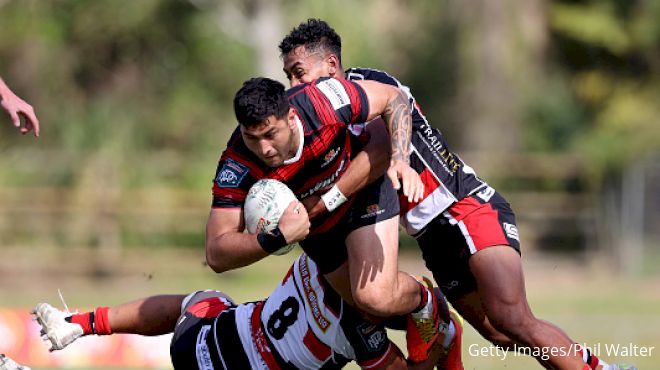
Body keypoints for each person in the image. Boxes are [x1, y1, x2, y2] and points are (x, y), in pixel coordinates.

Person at [277, 19, 637, 370]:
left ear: (332, 64)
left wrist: (329, 200)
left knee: (512, 318)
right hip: (432, 237)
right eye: (288, 76)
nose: (293, 84)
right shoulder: (323, 124)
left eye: (298, 72)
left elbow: (381, 146)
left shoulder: (368, 86)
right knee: (500, 334)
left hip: (465, 207)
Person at [206, 76, 444, 362]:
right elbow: (217, 253)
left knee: (374, 296)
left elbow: (394, 98)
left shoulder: (321, 103)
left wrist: (401, 159)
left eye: (271, 134)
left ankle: (428, 302)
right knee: (368, 312)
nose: (264, 148)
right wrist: (277, 237)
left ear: (291, 117)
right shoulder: (238, 163)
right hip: (318, 231)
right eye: (252, 138)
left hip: (362, 194)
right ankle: (435, 332)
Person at [29, 253, 463, 370]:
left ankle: (79, 324)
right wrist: (434, 349)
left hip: (196, 344)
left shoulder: (319, 259)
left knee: (199, 300)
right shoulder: (361, 329)